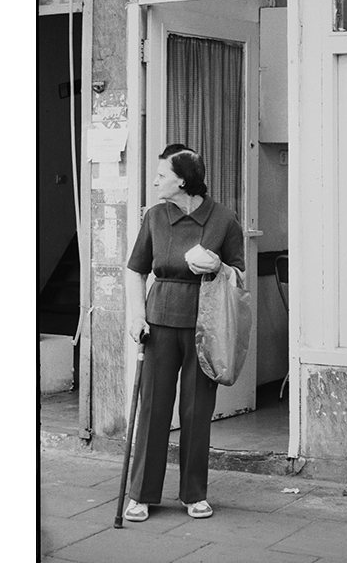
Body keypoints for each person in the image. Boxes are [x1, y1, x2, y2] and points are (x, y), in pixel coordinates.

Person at [124, 143, 245, 522]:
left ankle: (194, 494)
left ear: (182, 181)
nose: (156, 181)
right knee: (153, 409)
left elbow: (239, 277)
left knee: (197, 412)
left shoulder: (224, 219)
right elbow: (134, 269)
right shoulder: (155, 217)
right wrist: (135, 315)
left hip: (205, 326)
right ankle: (141, 494)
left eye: (162, 175)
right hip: (159, 323)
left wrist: (218, 265)